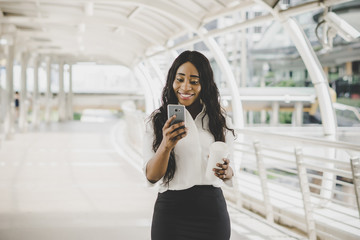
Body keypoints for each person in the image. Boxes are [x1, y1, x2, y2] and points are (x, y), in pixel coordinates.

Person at [143, 50, 235, 240]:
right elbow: (151, 177)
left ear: (205, 84)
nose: (185, 87)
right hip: (171, 212)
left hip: (211, 212)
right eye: (180, 79)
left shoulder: (219, 120)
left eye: (194, 81)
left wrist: (226, 172)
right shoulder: (157, 121)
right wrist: (166, 145)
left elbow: (229, 170)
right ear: (171, 81)